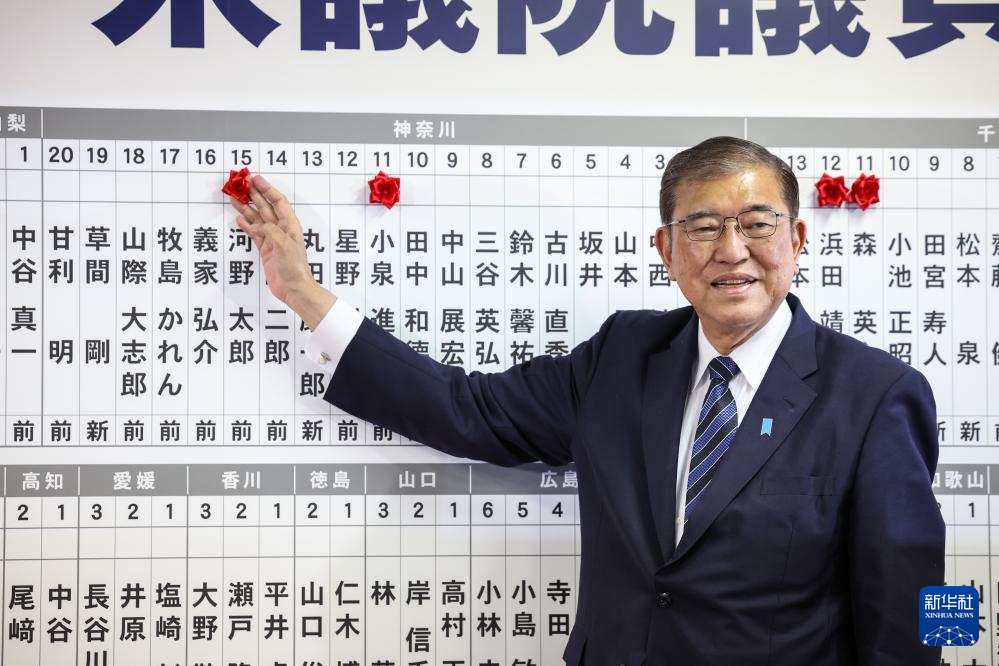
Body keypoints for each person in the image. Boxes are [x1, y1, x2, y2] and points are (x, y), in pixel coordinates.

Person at [231, 136, 944, 665]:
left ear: (796, 238)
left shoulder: (877, 394)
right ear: (665, 249)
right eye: (703, 227)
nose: (731, 250)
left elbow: (914, 610)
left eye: (757, 224)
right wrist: (303, 294)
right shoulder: (622, 356)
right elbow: (468, 409)